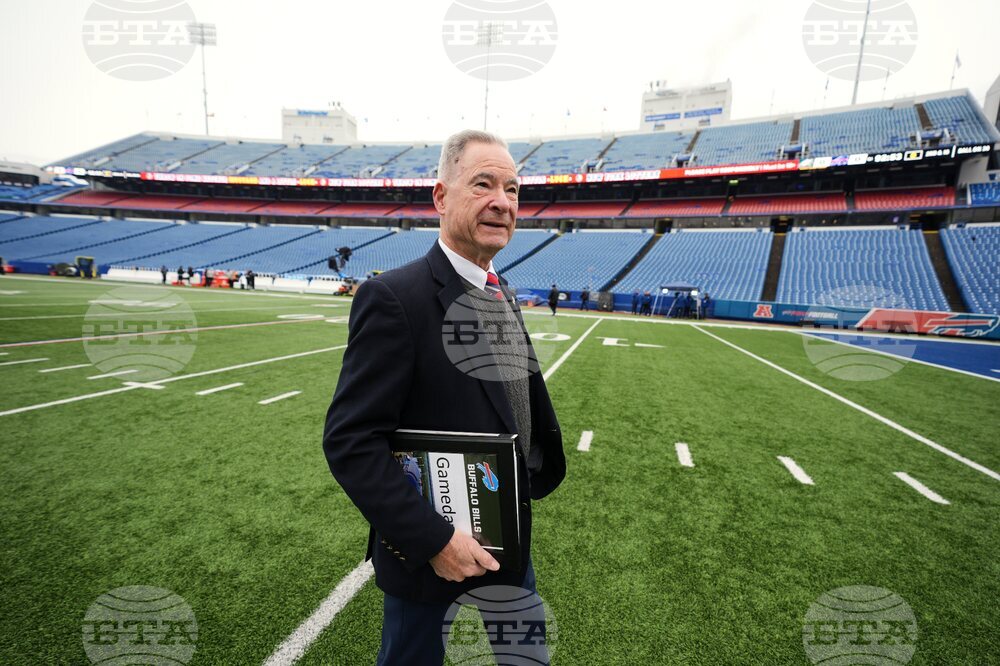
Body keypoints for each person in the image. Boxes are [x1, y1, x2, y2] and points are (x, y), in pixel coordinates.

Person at [323, 130, 565, 666]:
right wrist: (434, 540)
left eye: (513, 189)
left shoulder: (502, 293)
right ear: (440, 197)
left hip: (510, 540)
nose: (502, 202)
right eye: (483, 184)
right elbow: (350, 440)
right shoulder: (394, 299)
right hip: (432, 555)